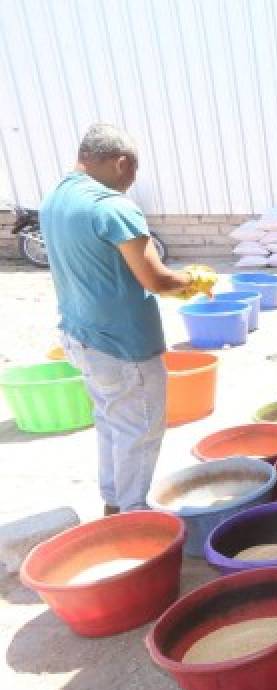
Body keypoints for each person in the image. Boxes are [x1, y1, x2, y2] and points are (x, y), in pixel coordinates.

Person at [41, 123, 208, 515]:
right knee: (140, 429)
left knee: (111, 420)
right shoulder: (112, 207)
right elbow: (156, 278)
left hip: (81, 334)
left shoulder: (56, 198)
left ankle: (113, 500)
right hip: (123, 343)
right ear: (121, 163)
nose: (132, 181)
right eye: (133, 171)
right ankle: (132, 515)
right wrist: (196, 280)